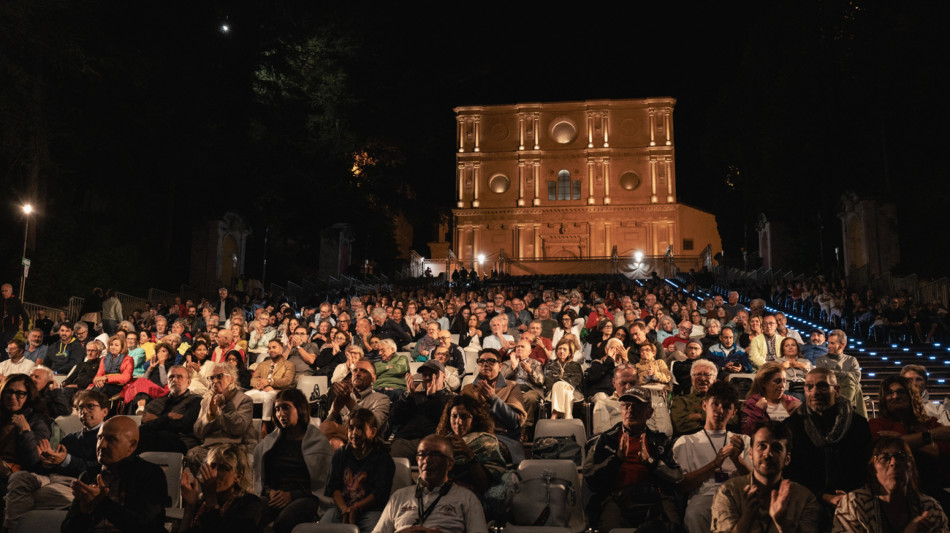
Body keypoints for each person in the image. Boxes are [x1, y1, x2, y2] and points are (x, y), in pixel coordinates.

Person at [4, 390, 107, 529]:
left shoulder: (107, 436)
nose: (84, 411)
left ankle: (11, 528)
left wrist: (65, 460)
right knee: (19, 477)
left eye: (90, 406)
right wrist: (47, 462)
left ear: (104, 412)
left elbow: (99, 468)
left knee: (20, 496)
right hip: (52, 477)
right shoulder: (70, 438)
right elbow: (52, 466)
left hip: (77, 484)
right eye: (80, 408)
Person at [583, 385, 681, 532]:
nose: (630, 411)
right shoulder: (606, 439)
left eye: (637, 406)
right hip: (616, 497)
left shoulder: (660, 441)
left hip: (655, 496)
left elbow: (677, 477)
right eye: (626, 406)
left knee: (673, 528)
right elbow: (590, 477)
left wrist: (651, 463)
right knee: (609, 527)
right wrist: (616, 460)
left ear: (649, 412)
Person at [784, 367, 871, 526]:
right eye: (809, 387)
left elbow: (864, 468)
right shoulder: (792, 426)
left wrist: (848, 498)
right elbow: (790, 473)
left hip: (854, 506)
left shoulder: (858, 425)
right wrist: (823, 496)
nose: (815, 392)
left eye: (822, 386)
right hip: (804, 505)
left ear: (837, 390)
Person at [61, 416, 167, 533]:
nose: (101, 445)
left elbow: (149, 527)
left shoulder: (149, 474)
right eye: (99, 438)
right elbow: (67, 530)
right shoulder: (89, 475)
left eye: (111, 439)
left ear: (132, 445)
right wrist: (84, 511)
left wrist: (102, 502)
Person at [710, 420, 819, 533]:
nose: (768, 454)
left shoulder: (804, 498)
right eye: (762, 446)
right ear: (751, 453)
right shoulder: (729, 491)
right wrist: (747, 518)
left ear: (787, 458)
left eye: (776, 448)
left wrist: (783, 525)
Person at [674, 381, 751, 533]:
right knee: (695, 514)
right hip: (704, 496)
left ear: (734, 412)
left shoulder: (743, 440)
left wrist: (737, 460)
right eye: (715, 404)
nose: (720, 410)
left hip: (737, 497)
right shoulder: (686, 442)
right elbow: (681, 487)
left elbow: (755, 482)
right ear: (704, 405)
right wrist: (714, 464)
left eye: (727, 406)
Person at [253, 389, 333, 533]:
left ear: (300, 409)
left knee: (285, 520)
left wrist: (291, 496)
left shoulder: (318, 443)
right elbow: (263, 479)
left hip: (306, 498)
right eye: (277, 409)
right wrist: (269, 492)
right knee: (250, 511)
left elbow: (321, 486)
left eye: (286, 407)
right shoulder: (270, 443)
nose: (281, 414)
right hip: (275, 496)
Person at [371, 435, 487, 533]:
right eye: (422, 454)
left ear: (449, 464)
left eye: (435, 455)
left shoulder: (467, 498)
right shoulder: (399, 496)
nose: (426, 460)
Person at [833, 436, 949, 532]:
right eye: (884, 458)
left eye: (901, 457)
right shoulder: (854, 505)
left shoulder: (929, 508)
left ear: (911, 467)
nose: (894, 463)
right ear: (873, 468)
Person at [323, 408, 394, 533]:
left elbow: (379, 493)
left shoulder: (382, 458)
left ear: (372, 432)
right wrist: (344, 508)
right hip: (341, 508)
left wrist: (356, 508)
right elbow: (334, 488)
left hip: (371, 510)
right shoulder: (341, 454)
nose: (354, 433)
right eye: (351, 428)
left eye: (360, 428)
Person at [435, 395, 508, 503]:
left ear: (475, 419)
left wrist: (468, 454)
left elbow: (485, 486)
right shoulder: (442, 442)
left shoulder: (485, 443)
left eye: (464, 417)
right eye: (454, 416)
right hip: (441, 495)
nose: (458, 422)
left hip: (471, 499)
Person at [179, 443, 263, 533]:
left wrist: (211, 498)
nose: (215, 473)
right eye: (212, 466)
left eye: (223, 468)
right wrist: (190, 507)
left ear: (238, 476)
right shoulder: (202, 502)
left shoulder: (250, 503)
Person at [460, 348, 526, 460]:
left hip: (502, 438)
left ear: (500, 366)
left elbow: (515, 421)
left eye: (491, 361)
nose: (485, 364)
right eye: (481, 361)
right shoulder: (468, 389)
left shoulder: (511, 386)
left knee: (483, 447)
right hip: (471, 436)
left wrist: (493, 398)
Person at [189, 363, 257, 465]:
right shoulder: (206, 400)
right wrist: (210, 415)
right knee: (192, 455)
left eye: (219, 376)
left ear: (232, 378)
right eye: (211, 378)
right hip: (210, 447)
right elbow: (198, 432)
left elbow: (238, 428)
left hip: (235, 446)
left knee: (221, 460)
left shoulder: (244, 400)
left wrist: (227, 405)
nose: (215, 381)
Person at [389, 359, 453, 463]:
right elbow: (395, 418)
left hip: (432, 442)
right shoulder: (413, 396)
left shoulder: (450, 398)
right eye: (425, 375)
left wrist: (432, 397)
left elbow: (441, 419)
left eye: (433, 374)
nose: (428, 378)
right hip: (405, 441)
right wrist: (407, 398)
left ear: (444, 376)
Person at [138, 365, 202, 453]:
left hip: (182, 441)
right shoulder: (157, 402)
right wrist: (169, 417)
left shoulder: (196, 400)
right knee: (140, 432)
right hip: (155, 437)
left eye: (179, 377)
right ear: (167, 381)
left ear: (188, 382)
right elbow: (145, 421)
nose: (175, 380)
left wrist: (158, 419)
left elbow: (184, 425)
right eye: (171, 377)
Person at [324, 360, 391, 434]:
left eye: (363, 371)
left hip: (367, 442)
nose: (357, 374)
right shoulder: (343, 396)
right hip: (343, 440)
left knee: (329, 428)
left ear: (373, 378)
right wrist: (334, 412)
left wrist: (349, 402)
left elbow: (373, 427)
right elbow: (325, 426)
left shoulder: (382, 399)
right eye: (354, 371)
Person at [815, 329, 867, 418]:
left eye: (832, 343)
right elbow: (822, 377)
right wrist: (846, 375)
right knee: (855, 386)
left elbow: (857, 377)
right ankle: (850, 412)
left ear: (842, 345)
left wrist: (833, 373)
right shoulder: (821, 360)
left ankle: (843, 411)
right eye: (829, 343)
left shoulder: (851, 360)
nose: (829, 346)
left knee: (853, 383)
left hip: (847, 390)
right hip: (829, 390)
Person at [500, 338, 545, 438]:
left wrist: (530, 372)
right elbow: (501, 381)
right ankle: (510, 428)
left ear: (529, 352)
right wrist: (513, 367)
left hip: (530, 389)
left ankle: (524, 428)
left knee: (531, 398)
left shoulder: (536, 364)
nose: (519, 348)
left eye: (522, 347)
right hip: (512, 389)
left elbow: (541, 381)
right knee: (510, 398)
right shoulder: (507, 363)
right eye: (518, 347)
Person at [741, 362, 801, 434]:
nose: (782, 386)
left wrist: (803, 411)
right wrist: (758, 411)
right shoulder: (752, 404)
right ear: (764, 383)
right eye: (777, 381)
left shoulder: (792, 401)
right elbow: (747, 433)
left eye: (784, 381)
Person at [245, 339, 296, 422]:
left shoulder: (289, 365)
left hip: (277, 391)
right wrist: (262, 385)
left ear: (281, 349)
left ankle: (265, 424)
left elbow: (287, 381)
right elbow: (253, 379)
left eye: (274, 347)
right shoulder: (262, 364)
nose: (271, 350)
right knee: (244, 397)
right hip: (260, 390)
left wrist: (269, 381)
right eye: (269, 348)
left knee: (268, 397)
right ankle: (245, 421)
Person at [671, 359, 720, 437]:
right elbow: (680, 426)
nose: (702, 379)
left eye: (707, 375)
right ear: (692, 379)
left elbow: (733, 422)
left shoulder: (724, 401)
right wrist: (717, 419)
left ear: (715, 380)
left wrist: (698, 416)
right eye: (698, 374)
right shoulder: (681, 401)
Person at [122, 341, 175, 415]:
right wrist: (150, 368)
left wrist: (162, 365)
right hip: (149, 388)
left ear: (169, 355)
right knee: (139, 388)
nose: (160, 353)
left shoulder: (172, 367)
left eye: (163, 351)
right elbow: (144, 379)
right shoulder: (155, 364)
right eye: (158, 352)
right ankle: (139, 409)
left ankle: (141, 407)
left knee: (141, 385)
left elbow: (164, 382)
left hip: (161, 389)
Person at [544, 339, 583, 419]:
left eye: (564, 349)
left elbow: (576, 381)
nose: (561, 351)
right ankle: (568, 417)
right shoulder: (550, 364)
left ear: (569, 353)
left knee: (564, 388)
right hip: (552, 393)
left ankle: (555, 414)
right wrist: (563, 382)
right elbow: (549, 382)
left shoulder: (575, 365)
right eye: (559, 348)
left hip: (574, 393)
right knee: (563, 389)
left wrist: (560, 381)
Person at [777, 337, 812, 402]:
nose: (790, 347)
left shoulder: (806, 362)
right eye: (787, 346)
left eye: (793, 345)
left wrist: (805, 367)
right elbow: (772, 379)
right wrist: (781, 368)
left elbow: (814, 378)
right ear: (783, 349)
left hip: (802, 388)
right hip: (785, 389)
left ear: (797, 348)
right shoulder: (777, 362)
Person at [0, 284, 29, 349]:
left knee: (4, 343)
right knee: (3, 346)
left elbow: (25, 315)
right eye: (2, 291)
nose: (4, 293)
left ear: (10, 291)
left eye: (6, 291)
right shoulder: (1, 301)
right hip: (1, 328)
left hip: (12, 328)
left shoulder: (16, 301)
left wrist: (25, 329)